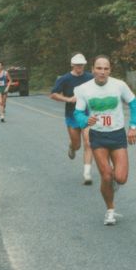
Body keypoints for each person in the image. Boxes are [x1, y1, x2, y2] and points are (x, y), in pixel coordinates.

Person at [73, 55, 136, 225]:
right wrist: (84, 121)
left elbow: (134, 104)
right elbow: (78, 113)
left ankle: (113, 183)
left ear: (110, 70)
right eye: (99, 68)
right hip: (98, 136)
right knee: (106, 176)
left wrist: (133, 127)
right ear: (93, 70)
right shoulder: (84, 89)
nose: (102, 72)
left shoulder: (119, 85)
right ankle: (110, 211)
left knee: (121, 178)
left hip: (117, 134)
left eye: (106, 68)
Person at [50, 53, 95, 185]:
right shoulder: (64, 79)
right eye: (77, 65)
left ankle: (87, 174)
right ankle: (72, 147)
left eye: (81, 65)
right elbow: (53, 94)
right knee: (77, 144)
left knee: (89, 143)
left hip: (87, 115)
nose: (79, 67)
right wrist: (68, 99)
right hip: (72, 115)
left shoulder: (90, 77)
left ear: (84, 65)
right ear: (72, 65)